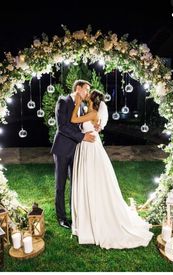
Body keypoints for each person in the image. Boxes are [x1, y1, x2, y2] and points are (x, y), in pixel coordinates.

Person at [70, 90, 153, 249]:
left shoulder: (93, 113)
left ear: (92, 101)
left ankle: (94, 215)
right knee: (88, 178)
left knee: (92, 178)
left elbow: (74, 119)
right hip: (86, 146)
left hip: (90, 148)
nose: (85, 97)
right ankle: (87, 214)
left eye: (88, 97)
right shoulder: (91, 112)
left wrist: (77, 105)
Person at [51, 80, 96, 229]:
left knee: (75, 184)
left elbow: (80, 125)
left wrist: (93, 127)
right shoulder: (63, 101)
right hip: (63, 150)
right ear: (78, 88)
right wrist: (83, 137)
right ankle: (62, 218)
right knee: (60, 185)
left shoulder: (82, 106)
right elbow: (62, 127)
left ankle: (75, 213)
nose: (87, 94)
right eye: (86, 90)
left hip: (76, 150)